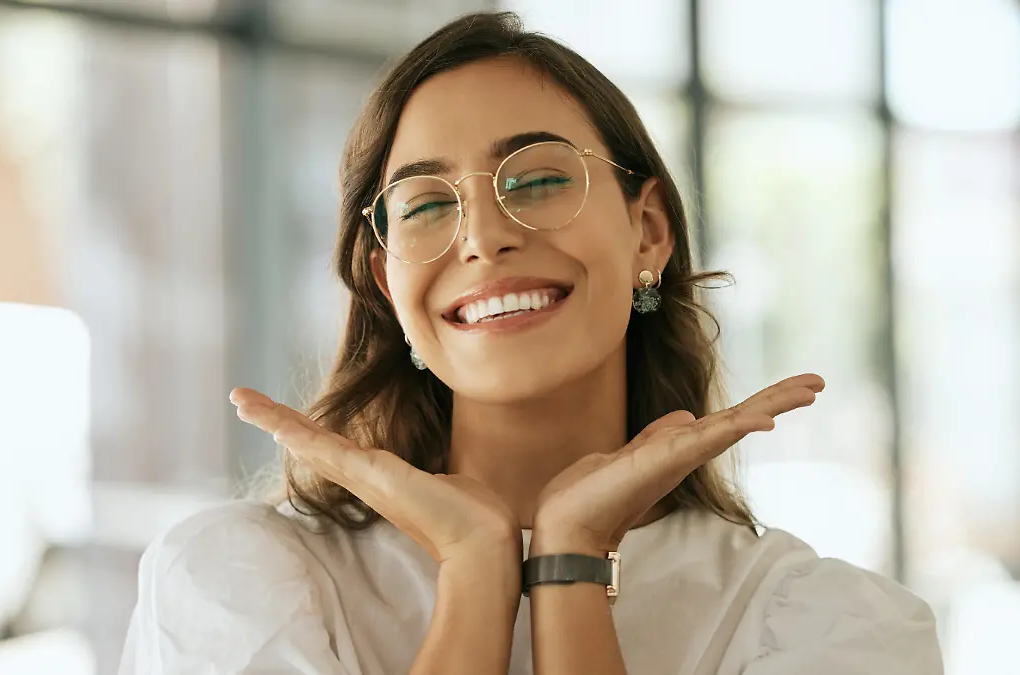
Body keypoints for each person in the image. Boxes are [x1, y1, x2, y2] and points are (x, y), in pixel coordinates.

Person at [118, 11, 942, 675]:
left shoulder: (834, 629)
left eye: (540, 179)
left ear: (647, 232)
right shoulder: (233, 584)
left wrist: (571, 566)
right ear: (384, 281)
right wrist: (475, 573)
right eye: (425, 205)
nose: (481, 236)